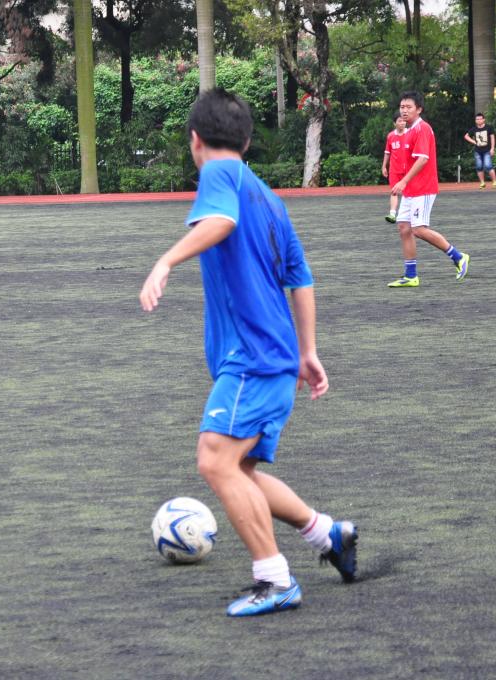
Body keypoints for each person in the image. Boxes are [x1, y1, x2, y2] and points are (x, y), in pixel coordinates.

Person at [139, 89, 357, 618]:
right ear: (247, 139)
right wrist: (308, 351)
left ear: (195, 140)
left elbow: (220, 223)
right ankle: (327, 534)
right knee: (242, 469)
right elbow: (301, 278)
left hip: (252, 358)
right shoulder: (269, 198)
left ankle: (274, 579)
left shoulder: (219, 173)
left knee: (215, 460)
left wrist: (165, 262)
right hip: (276, 359)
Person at [388, 91, 470, 288]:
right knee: (404, 228)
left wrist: (403, 181)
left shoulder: (422, 128)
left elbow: (423, 159)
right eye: (402, 107)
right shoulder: (409, 130)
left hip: (423, 188)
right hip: (411, 189)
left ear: (419, 109)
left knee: (418, 229)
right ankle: (411, 276)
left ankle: (459, 257)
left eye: (408, 107)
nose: (404, 110)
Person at [382, 114, 409, 222]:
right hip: (394, 169)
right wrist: (384, 166)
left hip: (408, 170)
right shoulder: (391, 136)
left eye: (404, 121)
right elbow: (387, 152)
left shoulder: (410, 133)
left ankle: (407, 214)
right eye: (399, 121)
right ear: (395, 123)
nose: (402, 123)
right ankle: (392, 214)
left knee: (409, 192)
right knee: (394, 191)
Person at [464, 112, 496, 188]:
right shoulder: (474, 129)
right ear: (475, 120)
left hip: (487, 150)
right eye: (477, 119)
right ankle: (482, 183)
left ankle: (495, 182)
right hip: (477, 151)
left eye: (480, 119)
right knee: (479, 167)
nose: (479, 120)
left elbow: (492, 138)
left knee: (488, 166)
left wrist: (492, 148)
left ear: (483, 119)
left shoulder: (489, 127)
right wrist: (474, 142)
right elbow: (466, 136)